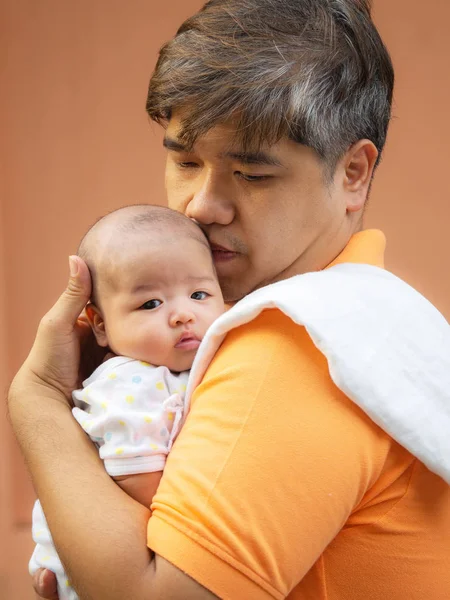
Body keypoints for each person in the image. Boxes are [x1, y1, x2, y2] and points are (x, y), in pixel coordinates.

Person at [8, 1, 450, 599]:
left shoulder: (294, 347)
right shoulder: (377, 318)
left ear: (353, 172)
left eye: (252, 174)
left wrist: (37, 402)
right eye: (184, 160)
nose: (200, 205)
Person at [28, 204, 225, 599]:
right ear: (100, 324)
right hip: (93, 570)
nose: (182, 314)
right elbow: (135, 479)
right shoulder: (129, 383)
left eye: (199, 294)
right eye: (151, 304)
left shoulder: (189, 366)